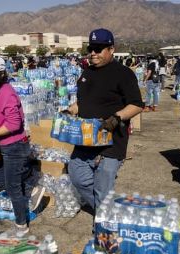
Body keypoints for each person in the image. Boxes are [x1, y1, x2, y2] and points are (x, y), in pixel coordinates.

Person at [67, 28, 144, 212]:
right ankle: (107, 212)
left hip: (111, 141)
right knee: (77, 177)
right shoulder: (87, 72)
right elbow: (84, 101)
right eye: (91, 48)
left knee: (102, 189)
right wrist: (71, 110)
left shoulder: (123, 73)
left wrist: (115, 118)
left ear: (111, 49)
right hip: (85, 139)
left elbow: (136, 104)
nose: (93, 53)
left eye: (99, 49)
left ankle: (104, 230)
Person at [0, 55, 45, 235]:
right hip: (3, 145)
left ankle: (22, 224)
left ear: (0, 73)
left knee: (13, 187)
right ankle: (30, 178)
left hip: (15, 145)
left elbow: (14, 124)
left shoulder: (6, 92)